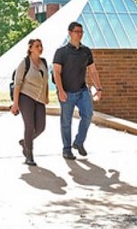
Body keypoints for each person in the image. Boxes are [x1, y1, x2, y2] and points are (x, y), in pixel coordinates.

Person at [53, 21, 105, 160]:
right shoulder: (61, 52)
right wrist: (60, 90)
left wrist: (99, 88)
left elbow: (93, 71)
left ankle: (79, 142)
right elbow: (56, 73)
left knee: (88, 115)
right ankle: (66, 149)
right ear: (70, 33)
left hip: (82, 91)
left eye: (81, 32)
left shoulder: (86, 51)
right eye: (77, 31)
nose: (80, 34)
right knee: (66, 121)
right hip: (67, 92)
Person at [10, 39, 50, 166]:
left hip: (40, 99)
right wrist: (15, 104)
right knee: (29, 125)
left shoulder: (43, 62)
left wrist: (47, 96)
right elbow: (17, 84)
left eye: (41, 46)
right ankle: (29, 155)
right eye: (37, 46)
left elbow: (45, 81)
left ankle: (25, 142)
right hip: (25, 97)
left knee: (41, 127)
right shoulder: (25, 63)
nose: (40, 48)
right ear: (30, 48)